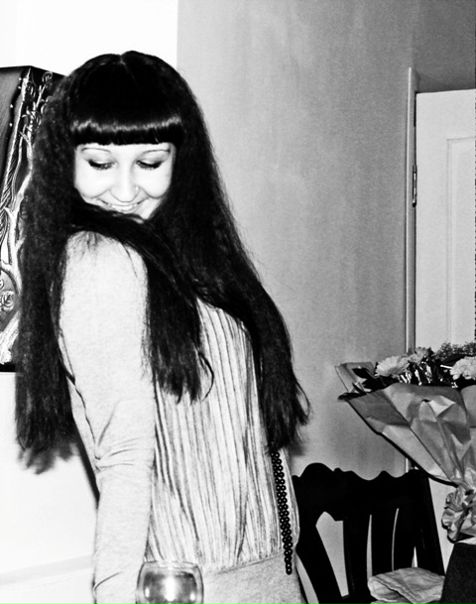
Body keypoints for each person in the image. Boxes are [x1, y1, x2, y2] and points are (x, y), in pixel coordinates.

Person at [16, 51, 309, 604]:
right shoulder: (99, 259)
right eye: (100, 163)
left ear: (181, 160)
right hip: (189, 582)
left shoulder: (194, 261)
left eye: (150, 163)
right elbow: (124, 454)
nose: (125, 190)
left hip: (268, 571)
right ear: (65, 162)